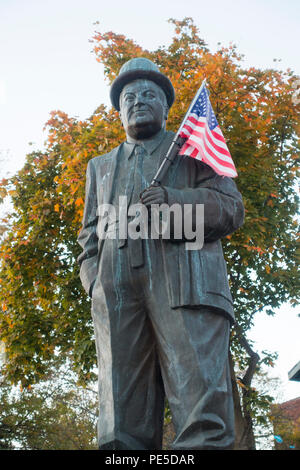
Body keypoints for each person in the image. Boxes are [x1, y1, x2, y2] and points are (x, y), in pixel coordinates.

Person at [77, 57, 244, 450]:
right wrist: (94, 281)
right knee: (120, 418)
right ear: (118, 112)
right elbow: (89, 234)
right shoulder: (99, 167)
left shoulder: (191, 150)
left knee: (200, 402)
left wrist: (174, 201)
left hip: (183, 279)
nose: (139, 101)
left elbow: (231, 208)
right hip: (117, 293)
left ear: (166, 106)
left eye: (149, 94)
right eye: (129, 97)